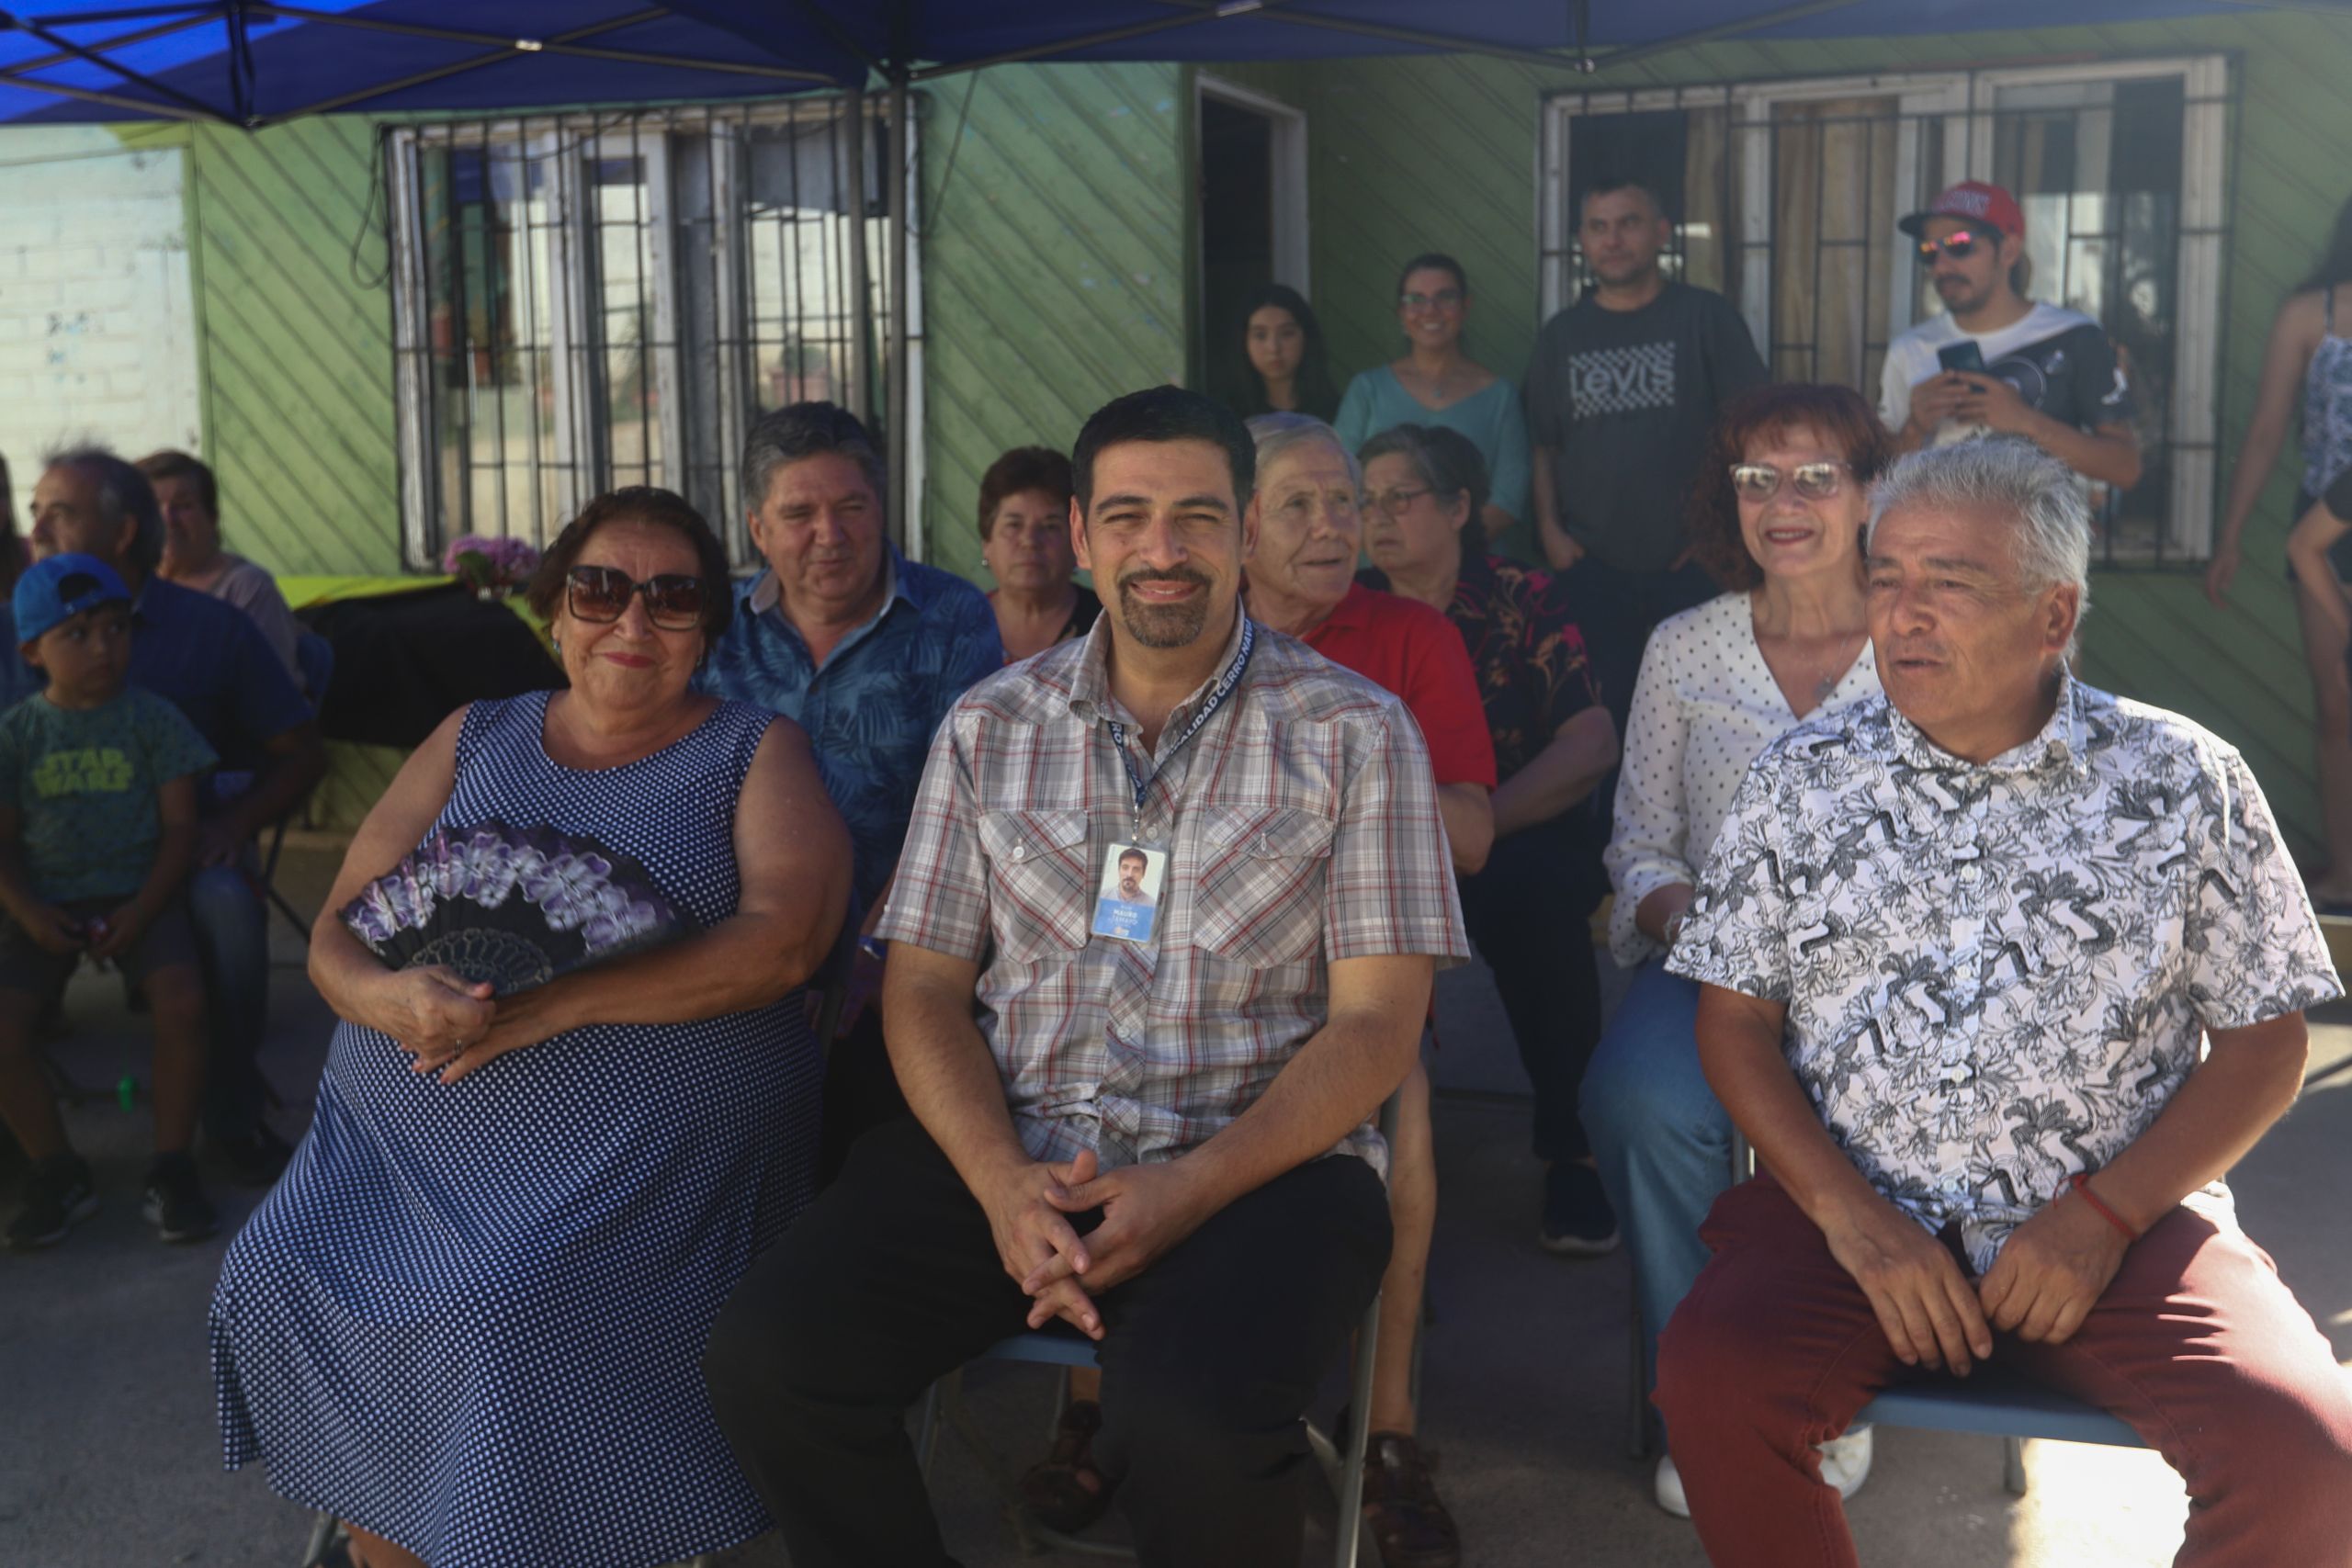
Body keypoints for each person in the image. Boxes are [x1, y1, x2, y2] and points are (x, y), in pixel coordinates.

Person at [699, 386, 1468, 1568]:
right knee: (770, 1359)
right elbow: (920, 990)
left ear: (1248, 528)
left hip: (1259, 1165)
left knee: (1194, 1426)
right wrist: (1004, 1183)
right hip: (1009, 1149)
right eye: (1127, 517)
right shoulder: (988, 727)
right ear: (1078, 530)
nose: (1160, 552)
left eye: (1196, 517)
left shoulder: (1356, 734)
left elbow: (1375, 1028)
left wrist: (1193, 1188)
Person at [1657, 436, 2352, 1566]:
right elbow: (1733, 1022)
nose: (1902, 613)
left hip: (2121, 1222)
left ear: (2051, 615)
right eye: (1885, 578)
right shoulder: (1801, 779)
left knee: (2304, 1449)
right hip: (1856, 1220)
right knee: (1710, 1380)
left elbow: (2266, 1044)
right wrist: (1854, 1221)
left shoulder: (2182, 779)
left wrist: (2103, 1217)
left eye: (1951, 583)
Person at [209, 488, 853, 1568]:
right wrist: (389, 1000)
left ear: (711, 626)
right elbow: (336, 929)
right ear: (553, 611)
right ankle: (394, 1544)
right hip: (407, 1151)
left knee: (505, 1317)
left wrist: (547, 1006)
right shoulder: (473, 735)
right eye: (600, 591)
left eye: (672, 599)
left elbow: (785, 944)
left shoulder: (756, 751)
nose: (632, 625)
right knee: (274, 1272)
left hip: (633, 1176)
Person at [1581, 383, 1889, 1517]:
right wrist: (1708, 934)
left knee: (1887, 1120)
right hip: (1715, 966)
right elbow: (1641, 844)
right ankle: (1704, 1388)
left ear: (1869, 493)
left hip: (1892, 982)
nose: (1785, 502)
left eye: (1817, 476)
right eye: (1758, 479)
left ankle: (1829, 1388)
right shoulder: (1684, 648)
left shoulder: (1924, 633)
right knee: (1640, 1102)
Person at [1236, 411, 1493, 1568]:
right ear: (1237, 526)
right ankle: (1093, 1404)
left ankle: (1387, 1432)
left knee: (1406, 1113)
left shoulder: (1406, 638)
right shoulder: (1188, 630)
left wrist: (1318, 789)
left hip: (1358, 967)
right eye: (1300, 504)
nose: (1337, 525)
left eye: (1346, 502)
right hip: (1200, 967)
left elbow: (1474, 836)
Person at [695, 402, 1001, 1172]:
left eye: (851, 507)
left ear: (881, 508)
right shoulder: (712, 628)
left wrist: (866, 963)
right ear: (758, 528)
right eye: (799, 514)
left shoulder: (952, 615)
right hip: (737, 972)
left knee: (871, 1169)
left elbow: (961, 807)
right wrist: (759, 960)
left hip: (908, 965)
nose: (829, 536)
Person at [1357, 423, 1621, 1255]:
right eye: (1365, 502)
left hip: (1505, 831)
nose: (1377, 519)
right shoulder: (1350, 603)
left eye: (1400, 498)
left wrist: (1479, 825)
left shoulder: (1521, 597)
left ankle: (1573, 1147)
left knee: (1537, 895)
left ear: (1460, 505)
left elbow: (1590, 739)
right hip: (1370, 848)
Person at [28, 447, 324, 1185]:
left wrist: (234, 824)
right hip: (43, 861)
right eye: (33, 511)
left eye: (57, 513)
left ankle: (229, 1113)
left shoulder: (212, 629)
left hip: (181, 854)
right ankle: (28, 1150)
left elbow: (301, 753)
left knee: (226, 903)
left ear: (122, 532)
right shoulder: (20, 632)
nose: (36, 529)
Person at [0, 554, 218, 1249]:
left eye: (117, 628)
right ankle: (55, 1168)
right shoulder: (16, 736)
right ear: (32, 650)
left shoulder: (154, 719)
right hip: (43, 905)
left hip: (141, 894)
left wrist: (144, 909)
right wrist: (30, 911)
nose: (103, 647)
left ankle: (172, 1164)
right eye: (79, 634)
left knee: (182, 1001)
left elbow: (182, 828)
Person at [1525, 180, 1770, 744]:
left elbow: (1753, 432)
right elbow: (1544, 445)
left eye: (1629, 223)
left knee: (1708, 718)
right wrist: (1550, 533)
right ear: (1583, 241)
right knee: (1607, 719)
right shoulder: (1562, 336)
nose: (1613, 240)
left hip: (1695, 565)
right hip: (1593, 566)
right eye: (1598, 226)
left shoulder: (1705, 317)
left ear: (1661, 233)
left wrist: (1726, 531)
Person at [2207, 191, 2352, 907]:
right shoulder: (2312, 314)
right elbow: (2267, 428)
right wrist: (2230, 536)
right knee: (2338, 701)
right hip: (2324, 536)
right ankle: (2348, 867)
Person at [1881, 180, 2141, 492]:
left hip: (2039, 538)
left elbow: (2125, 467)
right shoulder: (1908, 349)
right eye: (1929, 251)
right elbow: (1878, 478)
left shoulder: (2074, 337)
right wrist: (1914, 429)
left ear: (2009, 250)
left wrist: (2024, 421)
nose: (1941, 266)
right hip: (1936, 538)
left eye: (1960, 245)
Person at [1335, 254, 1532, 547]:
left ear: (1465, 306)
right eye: (1416, 299)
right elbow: (1340, 481)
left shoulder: (1500, 396)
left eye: (1445, 297)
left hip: (1469, 572)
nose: (1430, 310)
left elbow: (1508, 499)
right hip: (1379, 571)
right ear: (1401, 311)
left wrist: (1439, 555)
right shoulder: (1367, 389)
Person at [136, 450, 304, 682]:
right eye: (154, 508)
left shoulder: (247, 587)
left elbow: (268, 686)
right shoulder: (129, 584)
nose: (168, 519)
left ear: (212, 517)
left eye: (183, 506)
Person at [978, 445, 1100, 662]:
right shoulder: (960, 625)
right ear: (987, 542)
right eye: (1014, 525)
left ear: (1077, 541)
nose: (1030, 541)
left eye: (1050, 526)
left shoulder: (1109, 626)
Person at [1225, 283, 1341, 422]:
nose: (1273, 348)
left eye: (1286, 334)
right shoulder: (1226, 414)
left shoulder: (1336, 411)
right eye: (1260, 335)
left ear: (1306, 337)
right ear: (1243, 341)